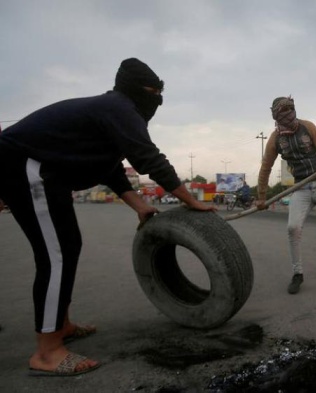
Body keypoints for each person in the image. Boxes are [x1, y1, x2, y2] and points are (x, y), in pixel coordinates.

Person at [0, 58, 216, 376]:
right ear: (136, 90)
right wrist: (191, 200)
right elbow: (149, 158)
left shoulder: (112, 112)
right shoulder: (119, 107)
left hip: (45, 172)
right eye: (153, 91)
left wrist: (139, 206)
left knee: (68, 246)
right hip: (24, 166)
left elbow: (111, 168)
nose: (157, 98)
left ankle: (60, 324)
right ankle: (47, 352)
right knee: (56, 255)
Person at [256, 96, 316, 296]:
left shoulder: (308, 127)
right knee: (292, 228)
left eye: (291, 112)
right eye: (284, 115)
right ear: (277, 117)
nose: (289, 118)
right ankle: (298, 274)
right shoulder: (275, 139)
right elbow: (265, 168)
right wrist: (261, 197)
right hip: (300, 187)